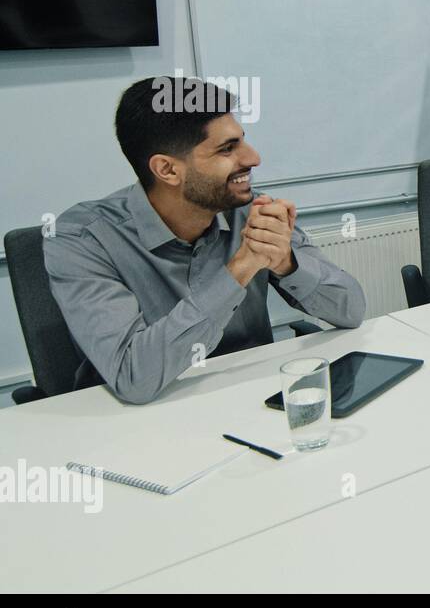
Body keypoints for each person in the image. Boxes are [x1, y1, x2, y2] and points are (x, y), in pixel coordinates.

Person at [44, 77, 366, 404]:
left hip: (249, 398)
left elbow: (351, 311)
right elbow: (134, 378)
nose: (253, 158)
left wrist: (287, 263)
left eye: (243, 141)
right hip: (140, 423)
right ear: (167, 170)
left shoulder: (249, 210)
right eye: (227, 149)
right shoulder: (82, 238)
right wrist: (239, 269)